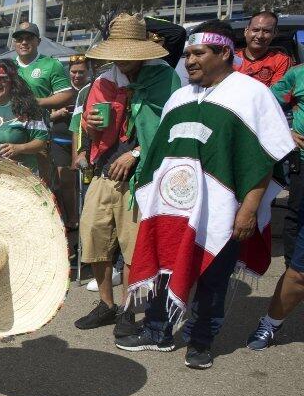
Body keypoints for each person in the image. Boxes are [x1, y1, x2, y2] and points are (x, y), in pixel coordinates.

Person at [118, 20, 295, 370]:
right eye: (187, 55)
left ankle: (201, 341)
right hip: (174, 208)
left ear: (224, 53)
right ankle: (158, 331)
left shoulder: (251, 95)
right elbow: (160, 155)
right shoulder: (180, 97)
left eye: (198, 53)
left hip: (222, 210)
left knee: (214, 276)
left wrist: (249, 209)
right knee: (166, 267)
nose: (189, 61)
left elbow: (264, 160)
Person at [73, 14, 181, 335]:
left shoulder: (164, 79)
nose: (123, 59)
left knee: (133, 245)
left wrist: (135, 154)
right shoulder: (104, 80)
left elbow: (166, 128)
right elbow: (87, 127)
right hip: (104, 169)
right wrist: (89, 130)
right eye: (117, 51)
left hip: (143, 175)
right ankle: (107, 305)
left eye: (128, 51)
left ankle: (130, 310)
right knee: (93, 235)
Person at [247, 62, 304, 349]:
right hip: (302, 170)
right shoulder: (297, 74)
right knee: (300, 272)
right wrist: (286, 131)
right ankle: (271, 323)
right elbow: (267, 105)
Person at [47, 55, 90, 230]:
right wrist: (58, 114)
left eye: (81, 72)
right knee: (65, 182)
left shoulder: (91, 90)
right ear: (68, 72)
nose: (77, 76)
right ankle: (71, 219)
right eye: (73, 72)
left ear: (88, 72)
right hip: (59, 141)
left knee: (82, 182)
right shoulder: (61, 91)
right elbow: (45, 116)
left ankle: (85, 216)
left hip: (82, 143)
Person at [11, 22, 74, 109]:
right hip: (10, 120)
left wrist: (36, 102)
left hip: (39, 120)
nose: (24, 42)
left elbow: (66, 95)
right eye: (19, 39)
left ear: (38, 41)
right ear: (15, 43)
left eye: (29, 38)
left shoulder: (52, 64)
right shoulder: (7, 66)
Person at [234, 11, 290, 87]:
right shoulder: (230, 57)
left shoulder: (281, 61)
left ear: (274, 34)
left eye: (266, 31)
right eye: (255, 30)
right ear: (246, 31)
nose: (260, 36)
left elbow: (275, 94)